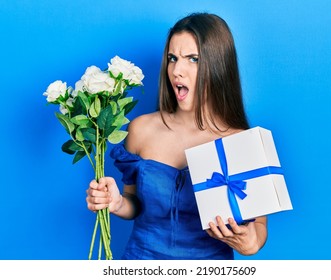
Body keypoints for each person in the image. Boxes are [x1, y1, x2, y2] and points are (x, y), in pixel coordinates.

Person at [86, 12, 267, 260]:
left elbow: (258, 229)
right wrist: (116, 203)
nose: (176, 70)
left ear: (218, 66)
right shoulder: (141, 129)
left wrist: (250, 243)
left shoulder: (241, 142)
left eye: (193, 59)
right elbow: (133, 202)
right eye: (173, 58)